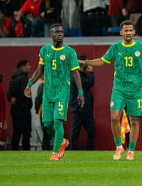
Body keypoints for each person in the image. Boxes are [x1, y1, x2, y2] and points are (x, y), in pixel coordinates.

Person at [79, 20, 142, 160]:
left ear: (134, 32)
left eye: (130, 30)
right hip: (119, 88)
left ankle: (131, 151)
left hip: (136, 90)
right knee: (115, 116)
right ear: (121, 32)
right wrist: (86, 62)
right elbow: (103, 60)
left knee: (134, 120)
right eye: (126, 31)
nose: (128, 33)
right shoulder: (116, 47)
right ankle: (118, 147)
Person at [24, 23, 85, 161]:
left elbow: (75, 73)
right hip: (48, 92)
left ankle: (55, 152)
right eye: (56, 32)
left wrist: (80, 93)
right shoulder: (45, 50)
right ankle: (62, 141)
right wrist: (29, 85)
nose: (59, 34)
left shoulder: (70, 52)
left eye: (61, 32)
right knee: (47, 124)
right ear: (51, 34)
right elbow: (40, 70)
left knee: (58, 122)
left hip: (62, 92)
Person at [69, 55, 96, 150]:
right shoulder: (75, 76)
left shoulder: (81, 75)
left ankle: (90, 150)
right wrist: (91, 72)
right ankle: (73, 149)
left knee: (91, 130)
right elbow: (89, 83)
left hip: (85, 108)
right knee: (75, 130)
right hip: (78, 108)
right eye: (86, 63)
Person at [7, 60, 32, 150]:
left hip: (15, 109)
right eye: (28, 65)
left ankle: (14, 150)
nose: (30, 67)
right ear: (22, 66)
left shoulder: (13, 78)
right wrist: (18, 100)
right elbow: (24, 94)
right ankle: (26, 151)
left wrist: (12, 99)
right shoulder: (23, 78)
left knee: (16, 132)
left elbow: (9, 94)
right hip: (23, 110)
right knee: (26, 133)